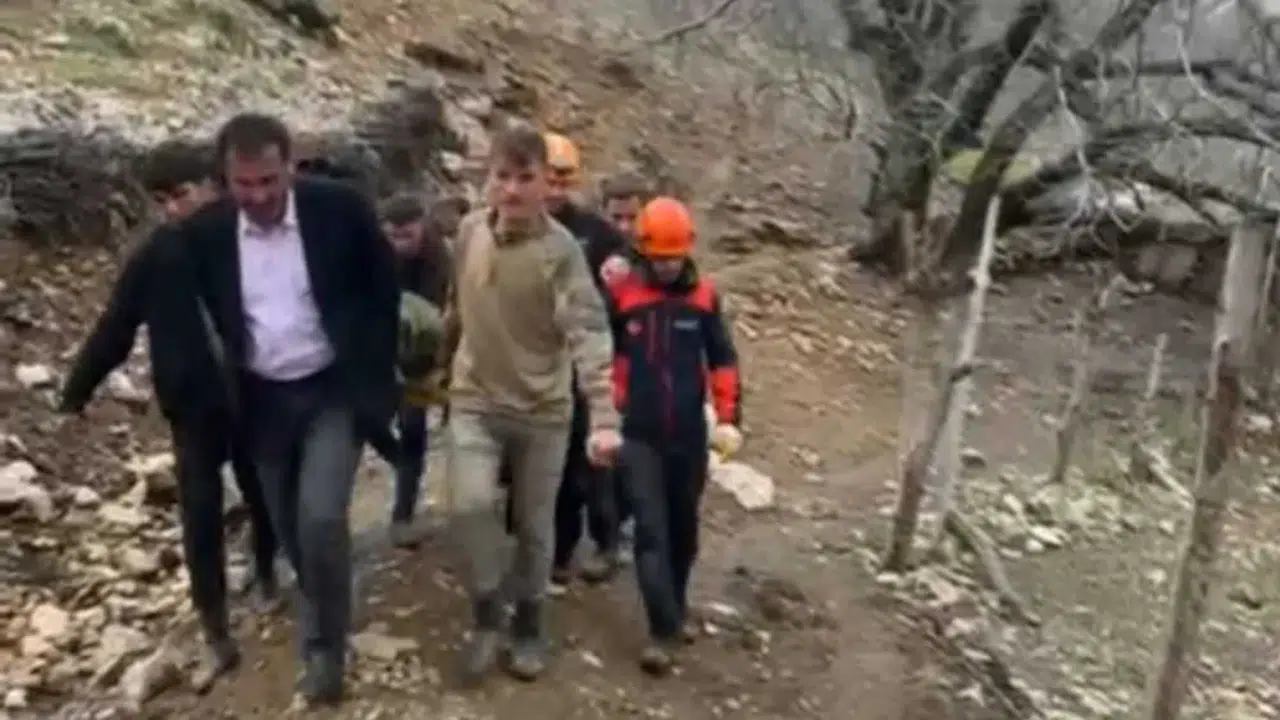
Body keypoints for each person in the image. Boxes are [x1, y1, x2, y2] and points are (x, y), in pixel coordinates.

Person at [179, 113, 399, 706]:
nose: (258, 197)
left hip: (332, 389)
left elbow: (384, 288)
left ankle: (325, 649)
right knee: (289, 528)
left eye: (269, 181)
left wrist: (377, 375)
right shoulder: (205, 233)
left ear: (291, 166)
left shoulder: (340, 209)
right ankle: (327, 596)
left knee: (321, 516)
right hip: (262, 402)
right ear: (225, 179)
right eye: (243, 184)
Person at [57, 139, 280, 693]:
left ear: (211, 184)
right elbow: (115, 327)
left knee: (262, 493)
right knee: (199, 519)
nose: (173, 209)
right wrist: (75, 393)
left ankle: (269, 572)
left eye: (181, 194)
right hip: (190, 411)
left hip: (252, 396)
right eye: (161, 200)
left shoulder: (246, 235)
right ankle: (216, 633)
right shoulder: (156, 255)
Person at [439, 125, 620, 683]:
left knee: (535, 528)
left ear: (547, 183)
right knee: (468, 506)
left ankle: (529, 624)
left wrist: (604, 416)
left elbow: (589, 332)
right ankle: (488, 609)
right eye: (502, 176)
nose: (512, 190)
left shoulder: (562, 253)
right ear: (488, 178)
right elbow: (455, 308)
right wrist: (434, 370)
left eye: (525, 178)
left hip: (542, 411)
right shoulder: (470, 231)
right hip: (474, 399)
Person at [606, 197, 743, 676]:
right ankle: (661, 631)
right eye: (658, 256)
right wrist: (611, 408)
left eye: (674, 256)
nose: (666, 265)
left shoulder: (704, 299)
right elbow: (609, 356)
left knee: (683, 531)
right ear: (643, 251)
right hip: (639, 433)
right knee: (649, 530)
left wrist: (728, 417)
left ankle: (676, 607)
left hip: (687, 435)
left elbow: (723, 359)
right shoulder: (624, 297)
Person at [541, 132, 632, 592]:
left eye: (564, 180)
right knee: (547, 462)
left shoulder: (596, 233)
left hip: (585, 358)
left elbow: (622, 286)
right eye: (549, 178)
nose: (556, 190)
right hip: (535, 359)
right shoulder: (512, 224)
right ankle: (554, 550)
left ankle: (602, 542)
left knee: (589, 462)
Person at [365, 192, 453, 548]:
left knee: (413, 425)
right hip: (384, 350)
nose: (400, 244)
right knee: (369, 421)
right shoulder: (373, 252)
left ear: (423, 227)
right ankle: (402, 461)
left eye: (408, 236)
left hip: (428, 353)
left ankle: (402, 515)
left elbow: (439, 314)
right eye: (394, 236)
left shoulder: (439, 258)